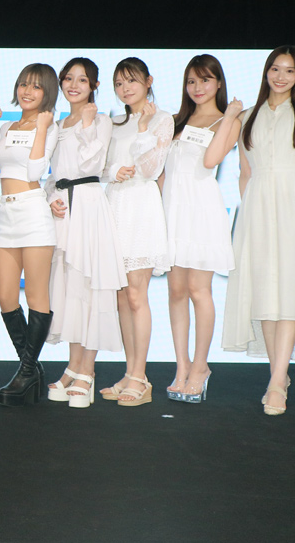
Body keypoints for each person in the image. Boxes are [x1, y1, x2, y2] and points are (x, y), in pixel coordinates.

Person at [214, 45, 295, 415]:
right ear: (266, 72)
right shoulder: (248, 115)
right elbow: (244, 172)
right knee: (264, 287)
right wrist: (248, 212)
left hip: (293, 202)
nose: (281, 76)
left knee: (290, 287)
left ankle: (278, 381)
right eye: (276, 69)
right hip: (257, 206)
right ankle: (276, 374)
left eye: (289, 71)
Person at [44, 58, 126, 408]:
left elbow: (92, 164)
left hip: (89, 206)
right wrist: (51, 197)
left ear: (94, 85)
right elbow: (53, 173)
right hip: (64, 210)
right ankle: (72, 366)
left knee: (90, 287)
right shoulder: (57, 123)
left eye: (82, 79)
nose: (74, 85)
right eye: (68, 78)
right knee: (70, 289)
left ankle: (87, 371)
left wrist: (88, 124)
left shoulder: (102, 120)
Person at [160, 54, 235, 403]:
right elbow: (162, 172)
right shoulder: (176, 121)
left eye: (205, 80)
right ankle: (182, 366)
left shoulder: (228, 120)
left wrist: (230, 117)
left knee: (198, 290)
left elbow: (210, 161)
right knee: (176, 291)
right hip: (171, 211)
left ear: (218, 83)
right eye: (192, 81)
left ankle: (201, 366)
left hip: (202, 210)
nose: (198, 87)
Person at [99, 57, 173, 407]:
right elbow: (99, 167)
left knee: (135, 295)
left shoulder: (162, 119)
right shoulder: (114, 122)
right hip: (114, 205)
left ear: (148, 81)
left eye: (131, 81)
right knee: (120, 297)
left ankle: (141, 377)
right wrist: (114, 170)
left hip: (141, 208)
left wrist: (143, 128)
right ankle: (129, 373)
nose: (125, 88)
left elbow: (151, 168)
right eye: (119, 83)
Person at [0, 63, 58, 407]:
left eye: (36, 86)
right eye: (23, 85)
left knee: (35, 296)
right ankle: (30, 369)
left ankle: (26, 371)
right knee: (5, 297)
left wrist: (42, 128)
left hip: (33, 213)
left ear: (47, 92)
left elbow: (34, 171)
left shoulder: (50, 126)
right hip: (7, 214)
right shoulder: (8, 126)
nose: (27, 92)